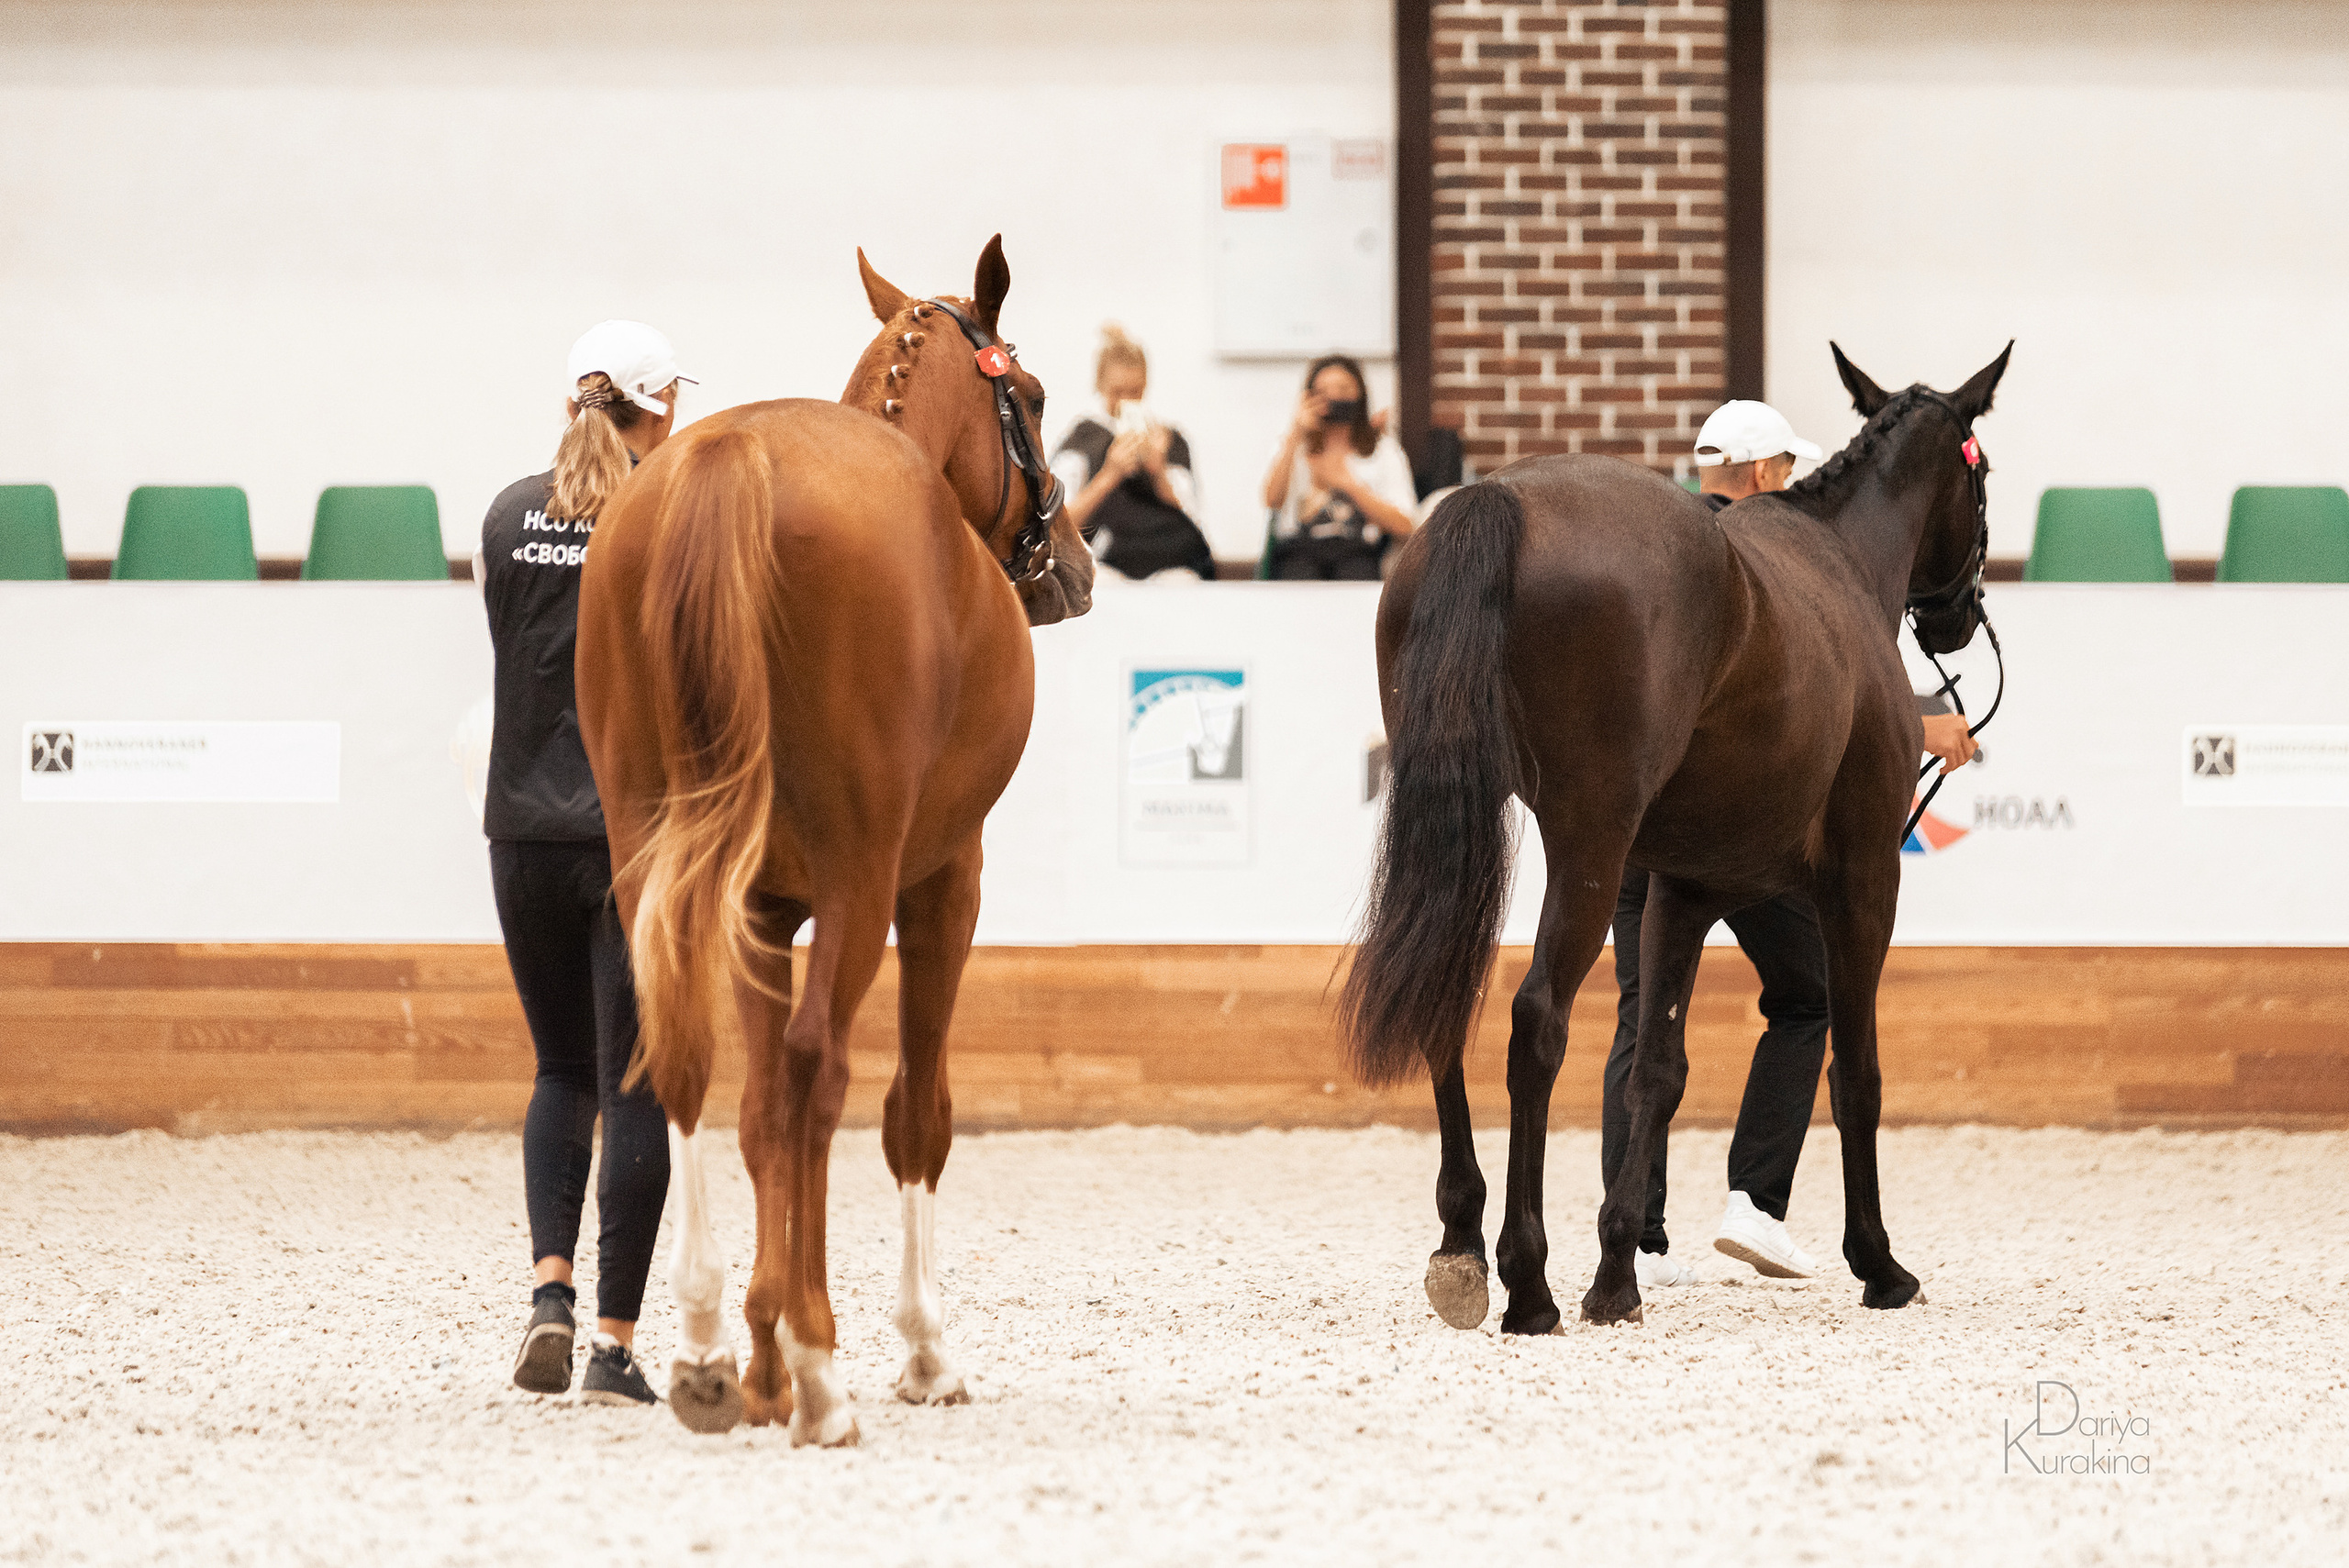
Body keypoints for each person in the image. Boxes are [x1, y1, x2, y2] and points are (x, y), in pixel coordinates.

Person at [1603, 399, 1980, 1289]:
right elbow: (1774, 698)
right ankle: (1753, 1201)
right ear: (1766, 473)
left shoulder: (1651, 555)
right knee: (1809, 993)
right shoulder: (1757, 561)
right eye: (1786, 472)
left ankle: (1640, 1231)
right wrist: (1919, 729)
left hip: (1636, 823)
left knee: (1643, 1011)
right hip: (1748, 813)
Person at [480, 320, 692, 1404]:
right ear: (656, 411)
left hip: (518, 828)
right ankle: (614, 1343)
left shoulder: (510, 516)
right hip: (630, 837)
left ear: (572, 406)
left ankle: (550, 1294)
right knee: (634, 1079)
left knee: (559, 1069)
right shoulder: (666, 521)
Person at [1050, 324, 1215, 581]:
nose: (1127, 401)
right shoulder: (1083, 440)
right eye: (1118, 392)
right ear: (1100, 386)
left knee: (1183, 583)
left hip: (1169, 560)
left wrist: (1159, 473)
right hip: (1104, 563)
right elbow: (1059, 525)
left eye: (1135, 392)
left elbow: (1194, 520)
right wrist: (1109, 475)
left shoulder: (1170, 440)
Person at [1260, 354, 1420, 579]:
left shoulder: (1382, 450)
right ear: (1309, 397)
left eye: (1343, 390)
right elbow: (1271, 501)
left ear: (1360, 395)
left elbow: (1405, 525)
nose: (1334, 397)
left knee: (1356, 573)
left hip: (1358, 553)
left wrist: (1347, 484)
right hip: (1298, 553)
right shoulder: (1293, 445)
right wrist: (1296, 432)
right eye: (1323, 391)